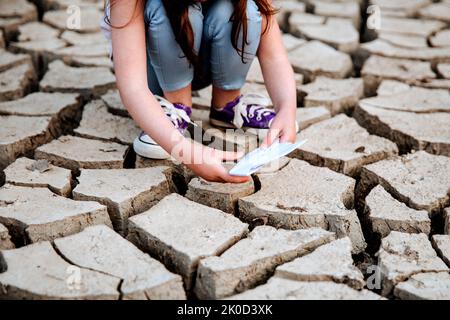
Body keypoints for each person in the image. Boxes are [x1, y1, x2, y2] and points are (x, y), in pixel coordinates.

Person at [102, 0, 298, 183]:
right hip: (153, 70)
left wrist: (286, 108)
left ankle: (226, 106)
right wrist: (186, 152)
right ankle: (175, 108)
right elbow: (133, 87)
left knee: (242, 9)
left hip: (204, 62)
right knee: (169, 9)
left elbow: (275, 57)